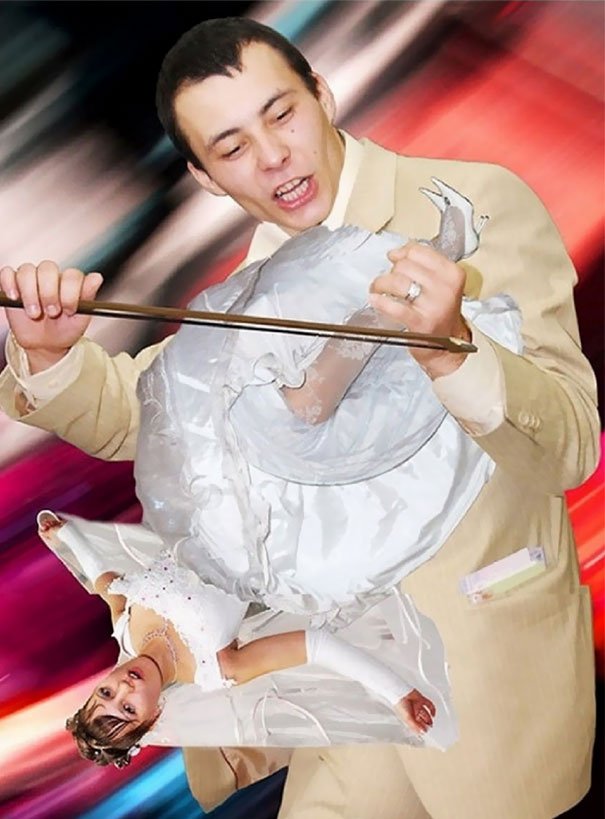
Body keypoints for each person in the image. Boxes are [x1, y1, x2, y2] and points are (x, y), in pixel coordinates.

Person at [0, 16, 599, 819]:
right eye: (231, 147)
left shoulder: (483, 200)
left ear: (321, 94)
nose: (272, 156)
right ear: (205, 176)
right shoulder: (254, 282)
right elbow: (143, 411)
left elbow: (570, 447)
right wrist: (48, 357)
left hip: (484, 674)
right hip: (340, 715)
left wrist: (454, 351)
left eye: (280, 115)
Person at [37, 511, 440, 767]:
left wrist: (67, 536)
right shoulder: (218, 667)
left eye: (106, 693)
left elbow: (101, 580)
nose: (124, 687)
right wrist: (397, 693)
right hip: (272, 528)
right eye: (128, 708)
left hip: (209, 504)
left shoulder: (125, 625)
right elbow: (316, 646)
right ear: (154, 716)